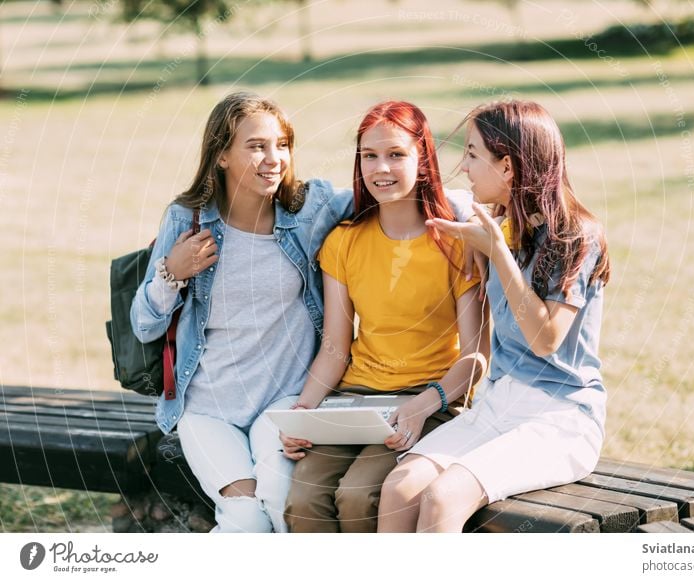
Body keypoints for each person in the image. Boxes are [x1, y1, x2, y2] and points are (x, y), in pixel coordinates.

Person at [130, 92, 475, 533]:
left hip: (283, 400)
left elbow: (384, 187)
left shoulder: (307, 210)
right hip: (209, 406)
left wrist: (461, 208)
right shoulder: (187, 221)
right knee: (245, 518)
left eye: (282, 145)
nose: (274, 159)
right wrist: (170, 272)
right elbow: (144, 326)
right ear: (220, 155)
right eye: (256, 146)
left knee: (281, 505)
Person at [377, 100, 612, 533]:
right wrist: (487, 241)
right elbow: (430, 195)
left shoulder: (576, 236)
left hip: (562, 416)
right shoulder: (499, 222)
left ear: (507, 168)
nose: (463, 167)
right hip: (501, 401)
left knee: (442, 497)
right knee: (399, 489)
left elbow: (545, 339)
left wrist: (495, 250)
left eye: (471, 154)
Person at [280, 101, 490, 533]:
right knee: (302, 498)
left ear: (424, 160)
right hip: (356, 400)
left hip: (430, 400)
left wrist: (422, 405)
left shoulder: (456, 244)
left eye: (396, 154)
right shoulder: (343, 242)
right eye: (370, 156)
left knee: (358, 497)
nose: (381, 168)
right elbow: (336, 347)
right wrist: (304, 413)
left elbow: (475, 359)